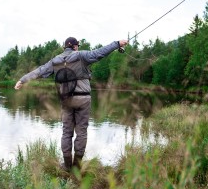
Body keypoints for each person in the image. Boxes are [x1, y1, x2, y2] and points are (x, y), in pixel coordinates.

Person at [14, 37, 128, 172]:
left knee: (67, 133)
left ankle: (67, 165)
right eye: (77, 46)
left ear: (64, 47)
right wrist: (117, 44)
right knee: (81, 132)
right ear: (75, 46)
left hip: (66, 100)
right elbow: (99, 53)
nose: (78, 48)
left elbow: (39, 71)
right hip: (83, 99)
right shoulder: (81, 56)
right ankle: (77, 166)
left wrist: (22, 80)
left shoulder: (55, 61)